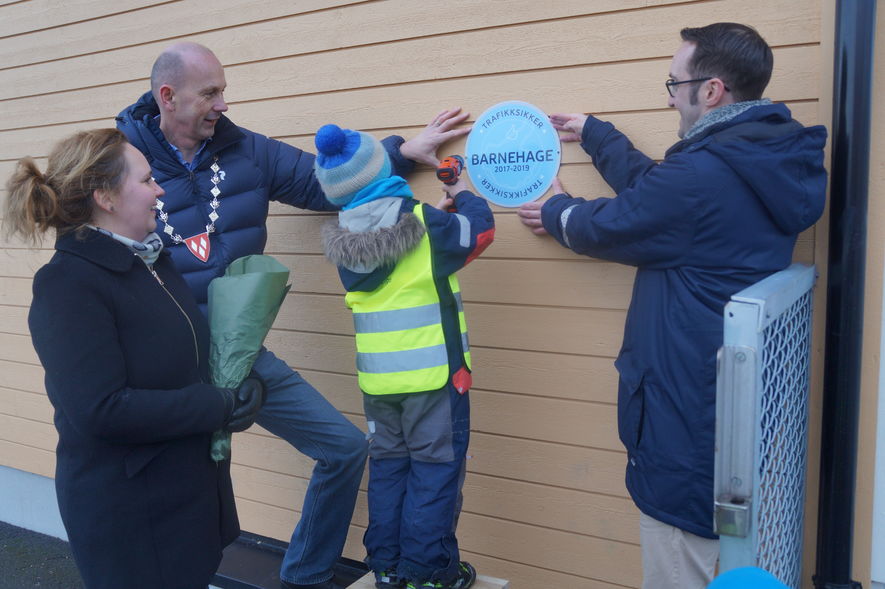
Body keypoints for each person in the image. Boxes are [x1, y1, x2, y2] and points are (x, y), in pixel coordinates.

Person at [115, 42, 470, 589]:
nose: (223, 104)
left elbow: (324, 184)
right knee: (187, 488)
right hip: (167, 364)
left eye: (223, 91)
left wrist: (401, 152)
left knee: (345, 449)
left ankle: (303, 576)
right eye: (210, 93)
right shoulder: (125, 162)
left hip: (239, 353)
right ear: (168, 96)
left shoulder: (246, 152)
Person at [517, 22, 827, 589]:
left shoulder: (705, 173)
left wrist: (560, 210)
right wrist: (598, 135)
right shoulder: (754, 157)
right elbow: (660, 193)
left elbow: (618, 223)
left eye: (672, 82)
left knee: (681, 562)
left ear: (710, 91)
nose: (666, 95)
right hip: (729, 412)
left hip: (688, 423)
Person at [3, 128, 266, 589]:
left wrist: (241, 386)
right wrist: (218, 405)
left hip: (185, 498)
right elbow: (101, 409)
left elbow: (181, 360)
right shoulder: (67, 284)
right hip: (133, 515)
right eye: (146, 180)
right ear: (105, 196)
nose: (159, 189)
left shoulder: (154, 263)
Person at [313, 124, 494, 589]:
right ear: (383, 168)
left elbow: (397, 255)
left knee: (391, 471)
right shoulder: (425, 225)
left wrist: (432, 215)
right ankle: (430, 574)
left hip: (379, 384)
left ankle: (388, 569)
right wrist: (461, 191)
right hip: (433, 380)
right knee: (434, 474)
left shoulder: (347, 240)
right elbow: (478, 234)